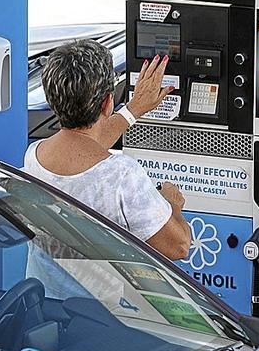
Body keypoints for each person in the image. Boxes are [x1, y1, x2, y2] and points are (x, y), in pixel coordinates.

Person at [23, 40, 191, 260]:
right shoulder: (122, 174)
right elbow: (179, 247)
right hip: (99, 296)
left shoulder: (35, 155)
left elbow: (85, 147)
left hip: (43, 292)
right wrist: (172, 205)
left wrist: (134, 109)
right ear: (107, 103)